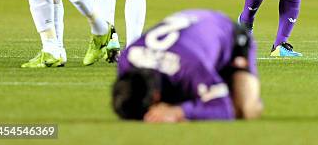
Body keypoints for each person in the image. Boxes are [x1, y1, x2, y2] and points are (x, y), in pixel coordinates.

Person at [112, 9, 263, 122]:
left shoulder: (189, 67)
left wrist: (180, 111)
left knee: (244, 110)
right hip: (193, 31)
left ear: (156, 96)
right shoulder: (126, 58)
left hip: (229, 35)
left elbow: (224, 109)